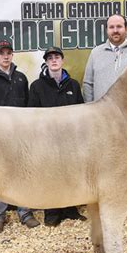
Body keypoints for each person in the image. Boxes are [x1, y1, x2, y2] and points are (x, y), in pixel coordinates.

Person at [82, 14, 127, 223]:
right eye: (111, 27)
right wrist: (91, 110)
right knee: (104, 161)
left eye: (119, 26)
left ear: (126, 29)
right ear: (106, 30)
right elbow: (88, 83)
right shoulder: (96, 53)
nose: (115, 30)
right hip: (102, 119)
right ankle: (107, 205)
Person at [0, 40, 40, 233]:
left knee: (23, 173)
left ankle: (25, 213)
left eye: (8, 52)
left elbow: (28, 109)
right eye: (1, 53)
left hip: (20, 136)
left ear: (12, 55)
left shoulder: (21, 78)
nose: (5, 56)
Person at [28, 46, 87, 226]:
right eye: (50, 58)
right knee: (49, 175)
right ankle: (52, 213)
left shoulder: (73, 85)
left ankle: (70, 210)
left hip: (70, 140)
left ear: (62, 60)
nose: (54, 60)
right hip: (47, 140)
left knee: (70, 174)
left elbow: (81, 111)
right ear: (46, 62)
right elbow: (31, 114)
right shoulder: (37, 86)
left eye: (57, 57)